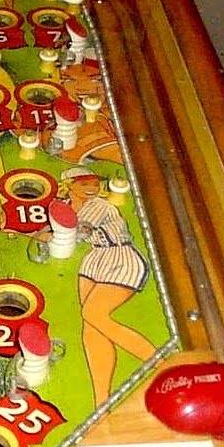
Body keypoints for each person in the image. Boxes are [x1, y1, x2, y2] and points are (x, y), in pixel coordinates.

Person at [62, 166, 156, 407]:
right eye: (84, 183)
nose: (92, 187)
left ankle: (159, 363)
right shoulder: (67, 205)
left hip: (120, 258)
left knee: (94, 314)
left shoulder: (100, 206)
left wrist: (37, 231)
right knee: (91, 327)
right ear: (70, 184)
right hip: (95, 259)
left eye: (95, 182)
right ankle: (101, 402)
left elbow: (71, 231)